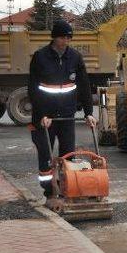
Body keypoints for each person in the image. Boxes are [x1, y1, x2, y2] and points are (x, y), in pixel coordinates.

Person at [27, 19, 97, 200]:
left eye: (68, 38)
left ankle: (67, 190)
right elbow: (33, 89)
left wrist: (89, 112)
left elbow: (84, 87)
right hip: (45, 119)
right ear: (54, 38)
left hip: (67, 117)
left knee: (68, 156)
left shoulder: (74, 57)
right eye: (63, 38)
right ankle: (49, 192)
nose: (66, 41)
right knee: (46, 157)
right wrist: (42, 115)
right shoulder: (40, 57)